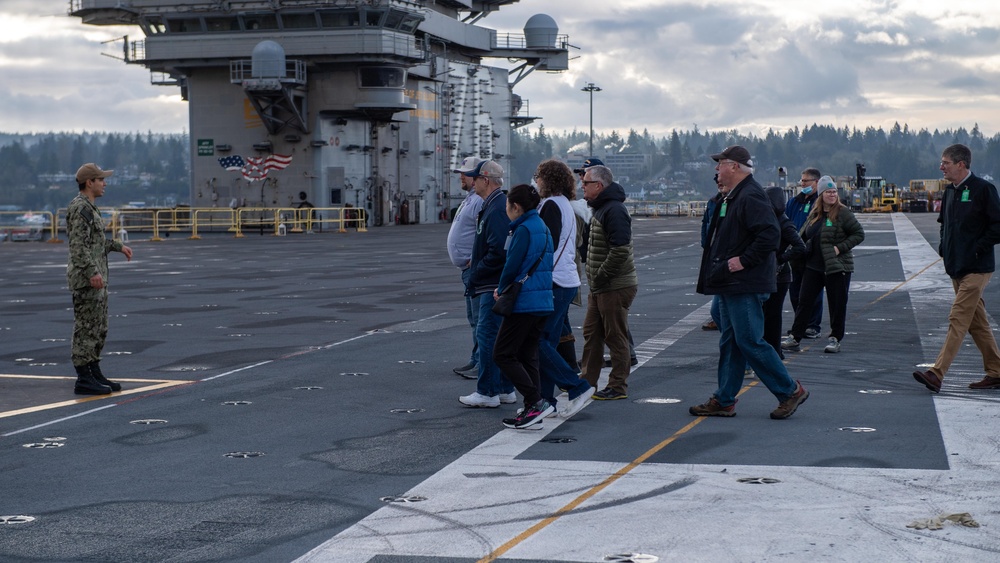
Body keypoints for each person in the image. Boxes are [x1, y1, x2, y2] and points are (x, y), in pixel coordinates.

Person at [689, 146, 808, 419]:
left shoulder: (751, 195)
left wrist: (744, 260)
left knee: (750, 341)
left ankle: (790, 391)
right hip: (731, 282)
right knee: (731, 341)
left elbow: (769, 234)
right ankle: (724, 399)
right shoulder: (734, 196)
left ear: (735, 166)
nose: (717, 170)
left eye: (720, 165)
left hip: (745, 282)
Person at [913, 144, 1000, 393]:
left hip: (977, 267)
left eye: (945, 163)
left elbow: (998, 225)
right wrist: (944, 248)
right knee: (976, 323)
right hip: (956, 266)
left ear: (961, 164)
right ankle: (996, 372)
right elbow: (944, 224)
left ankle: (937, 373)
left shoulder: (984, 190)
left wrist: (977, 247)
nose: (941, 167)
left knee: (958, 318)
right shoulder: (950, 192)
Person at [534, 159, 596, 418]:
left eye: (538, 176)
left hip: (555, 282)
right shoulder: (565, 204)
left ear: (547, 179)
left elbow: (549, 246)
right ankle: (545, 401)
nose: (535, 181)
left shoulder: (550, 205)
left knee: (537, 341)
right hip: (566, 281)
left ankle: (576, 386)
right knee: (547, 341)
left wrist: (538, 280)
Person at [67, 163, 133, 395]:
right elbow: (78, 247)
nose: (105, 183)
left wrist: (117, 246)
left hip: (97, 277)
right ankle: (83, 377)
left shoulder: (91, 208)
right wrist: (92, 272)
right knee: (86, 327)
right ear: (89, 183)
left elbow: (94, 244)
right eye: (101, 179)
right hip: (87, 279)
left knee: (98, 327)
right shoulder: (80, 209)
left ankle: (94, 370)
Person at [493, 184, 556, 429]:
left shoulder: (523, 229)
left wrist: (502, 288)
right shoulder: (542, 227)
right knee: (527, 353)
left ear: (515, 207)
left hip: (524, 301)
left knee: (503, 353)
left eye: (508, 206)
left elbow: (511, 265)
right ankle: (534, 409)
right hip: (542, 301)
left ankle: (534, 402)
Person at [782, 176, 865, 354]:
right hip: (813, 265)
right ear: (821, 194)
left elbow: (858, 234)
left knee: (837, 304)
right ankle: (795, 337)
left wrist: (839, 248)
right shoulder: (815, 213)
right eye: (828, 192)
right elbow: (804, 234)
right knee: (804, 302)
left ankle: (835, 338)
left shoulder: (843, 213)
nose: (832, 194)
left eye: (834, 191)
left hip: (837, 266)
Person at [460, 160, 517, 408]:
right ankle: (504, 388)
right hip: (494, 282)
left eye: (475, 178)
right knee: (499, 337)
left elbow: (499, 251)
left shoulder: (495, 209)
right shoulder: (494, 205)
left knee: (487, 335)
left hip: (490, 284)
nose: (472, 182)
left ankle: (487, 392)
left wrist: (477, 271)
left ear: (486, 180)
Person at [579, 164, 638, 400]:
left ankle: (617, 386)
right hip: (601, 286)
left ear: (599, 186)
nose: (581, 186)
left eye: (585, 183)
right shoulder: (601, 208)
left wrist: (600, 275)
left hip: (613, 286)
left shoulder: (614, 210)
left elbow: (620, 250)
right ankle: (586, 383)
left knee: (616, 337)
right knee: (592, 334)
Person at [446, 156, 484, 378]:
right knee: (473, 318)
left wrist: (475, 257)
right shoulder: (470, 198)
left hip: (475, 269)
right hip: (468, 270)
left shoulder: (479, 201)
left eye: (465, 173)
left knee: (480, 319)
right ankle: (475, 359)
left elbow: (485, 232)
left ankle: (481, 363)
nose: (461, 176)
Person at [764, 186, 806, 358]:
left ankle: (775, 351)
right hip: (773, 273)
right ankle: (773, 350)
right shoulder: (773, 218)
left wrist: (780, 259)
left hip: (780, 275)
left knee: (772, 316)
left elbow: (800, 246)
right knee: (769, 315)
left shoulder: (782, 221)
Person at [786, 168, 824, 339]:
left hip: (812, 254)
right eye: (801, 181)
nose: (802, 184)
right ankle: (800, 323)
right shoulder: (795, 202)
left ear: (816, 182)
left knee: (812, 292)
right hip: (795, 253)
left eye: (806, 181)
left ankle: (813, 325)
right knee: (795, 291)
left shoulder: (821, 203)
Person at [701, 174, 725, 331]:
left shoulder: (735, 201)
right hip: (713, 252)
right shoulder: (713, 202)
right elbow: (705, 223)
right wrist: (706, 243)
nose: (719, 185)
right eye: (718, 183)